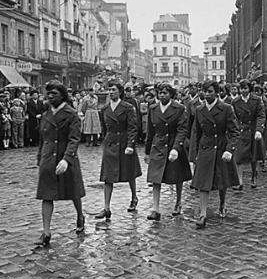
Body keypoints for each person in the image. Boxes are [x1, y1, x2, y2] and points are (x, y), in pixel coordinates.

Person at [35, 80, 85, 246]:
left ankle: (80, 215)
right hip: (48, 159)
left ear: (62, 95)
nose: (50, 97)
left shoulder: (71, 115)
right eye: (48, 93)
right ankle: (46, 232)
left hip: (65, 159)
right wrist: (40, 158)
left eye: (54, 94)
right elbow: (43, 139)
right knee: (46, 195)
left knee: (73, 191)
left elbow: (74, 139)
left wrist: (67, 159)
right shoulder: (45, 115)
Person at [191, 80, 240, 229]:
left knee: (221, 179)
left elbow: (234, 131)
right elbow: (196, 133)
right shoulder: (199, 110)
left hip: (221, 147)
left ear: (217, 92)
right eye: (205, 91)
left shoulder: (226, 108)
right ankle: (203, 214)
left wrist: (229, 149)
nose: (207, 94)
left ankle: (222, 203)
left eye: (210, 91)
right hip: (205, 148)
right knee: (203, 183)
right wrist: (194, 155)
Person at [144, 83, 191, 221]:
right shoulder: (153, 108)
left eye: (165, 93)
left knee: (177, 176)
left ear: (171, 94)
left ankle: (178, 202)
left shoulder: (179, 108)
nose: (162, 95)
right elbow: (150, 131)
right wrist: (147, 151)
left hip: (173, 145)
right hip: (158, 146)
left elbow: (182, 129)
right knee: (155, 177)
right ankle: (155, 209)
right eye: (160, 93)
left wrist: (176, 148)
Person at [95, 80, 142, 219]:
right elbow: (104, 127)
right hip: (110, 143)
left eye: (113, 89)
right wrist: (106, 140)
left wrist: (130, 144)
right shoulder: (104, 109)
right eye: (109, 89)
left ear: (120, 92)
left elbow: (133, 127)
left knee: (129, 173)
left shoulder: (127, 107)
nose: (111, 92)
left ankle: (134, 197)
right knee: (107, 176)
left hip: (124, 143)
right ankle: (106, 207)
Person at [231, 79, 265, 189]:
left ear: (249, 89)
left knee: (253, 156)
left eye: (245, 88)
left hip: (253, 131)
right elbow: (233, 117)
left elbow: (261, 115)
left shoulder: (257, 100)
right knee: (239, 157)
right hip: (241, 132)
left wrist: (259, 130)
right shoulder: (235, 102)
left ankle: (254, 176)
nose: (243, 91)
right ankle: (239, 181)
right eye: (241, 88)